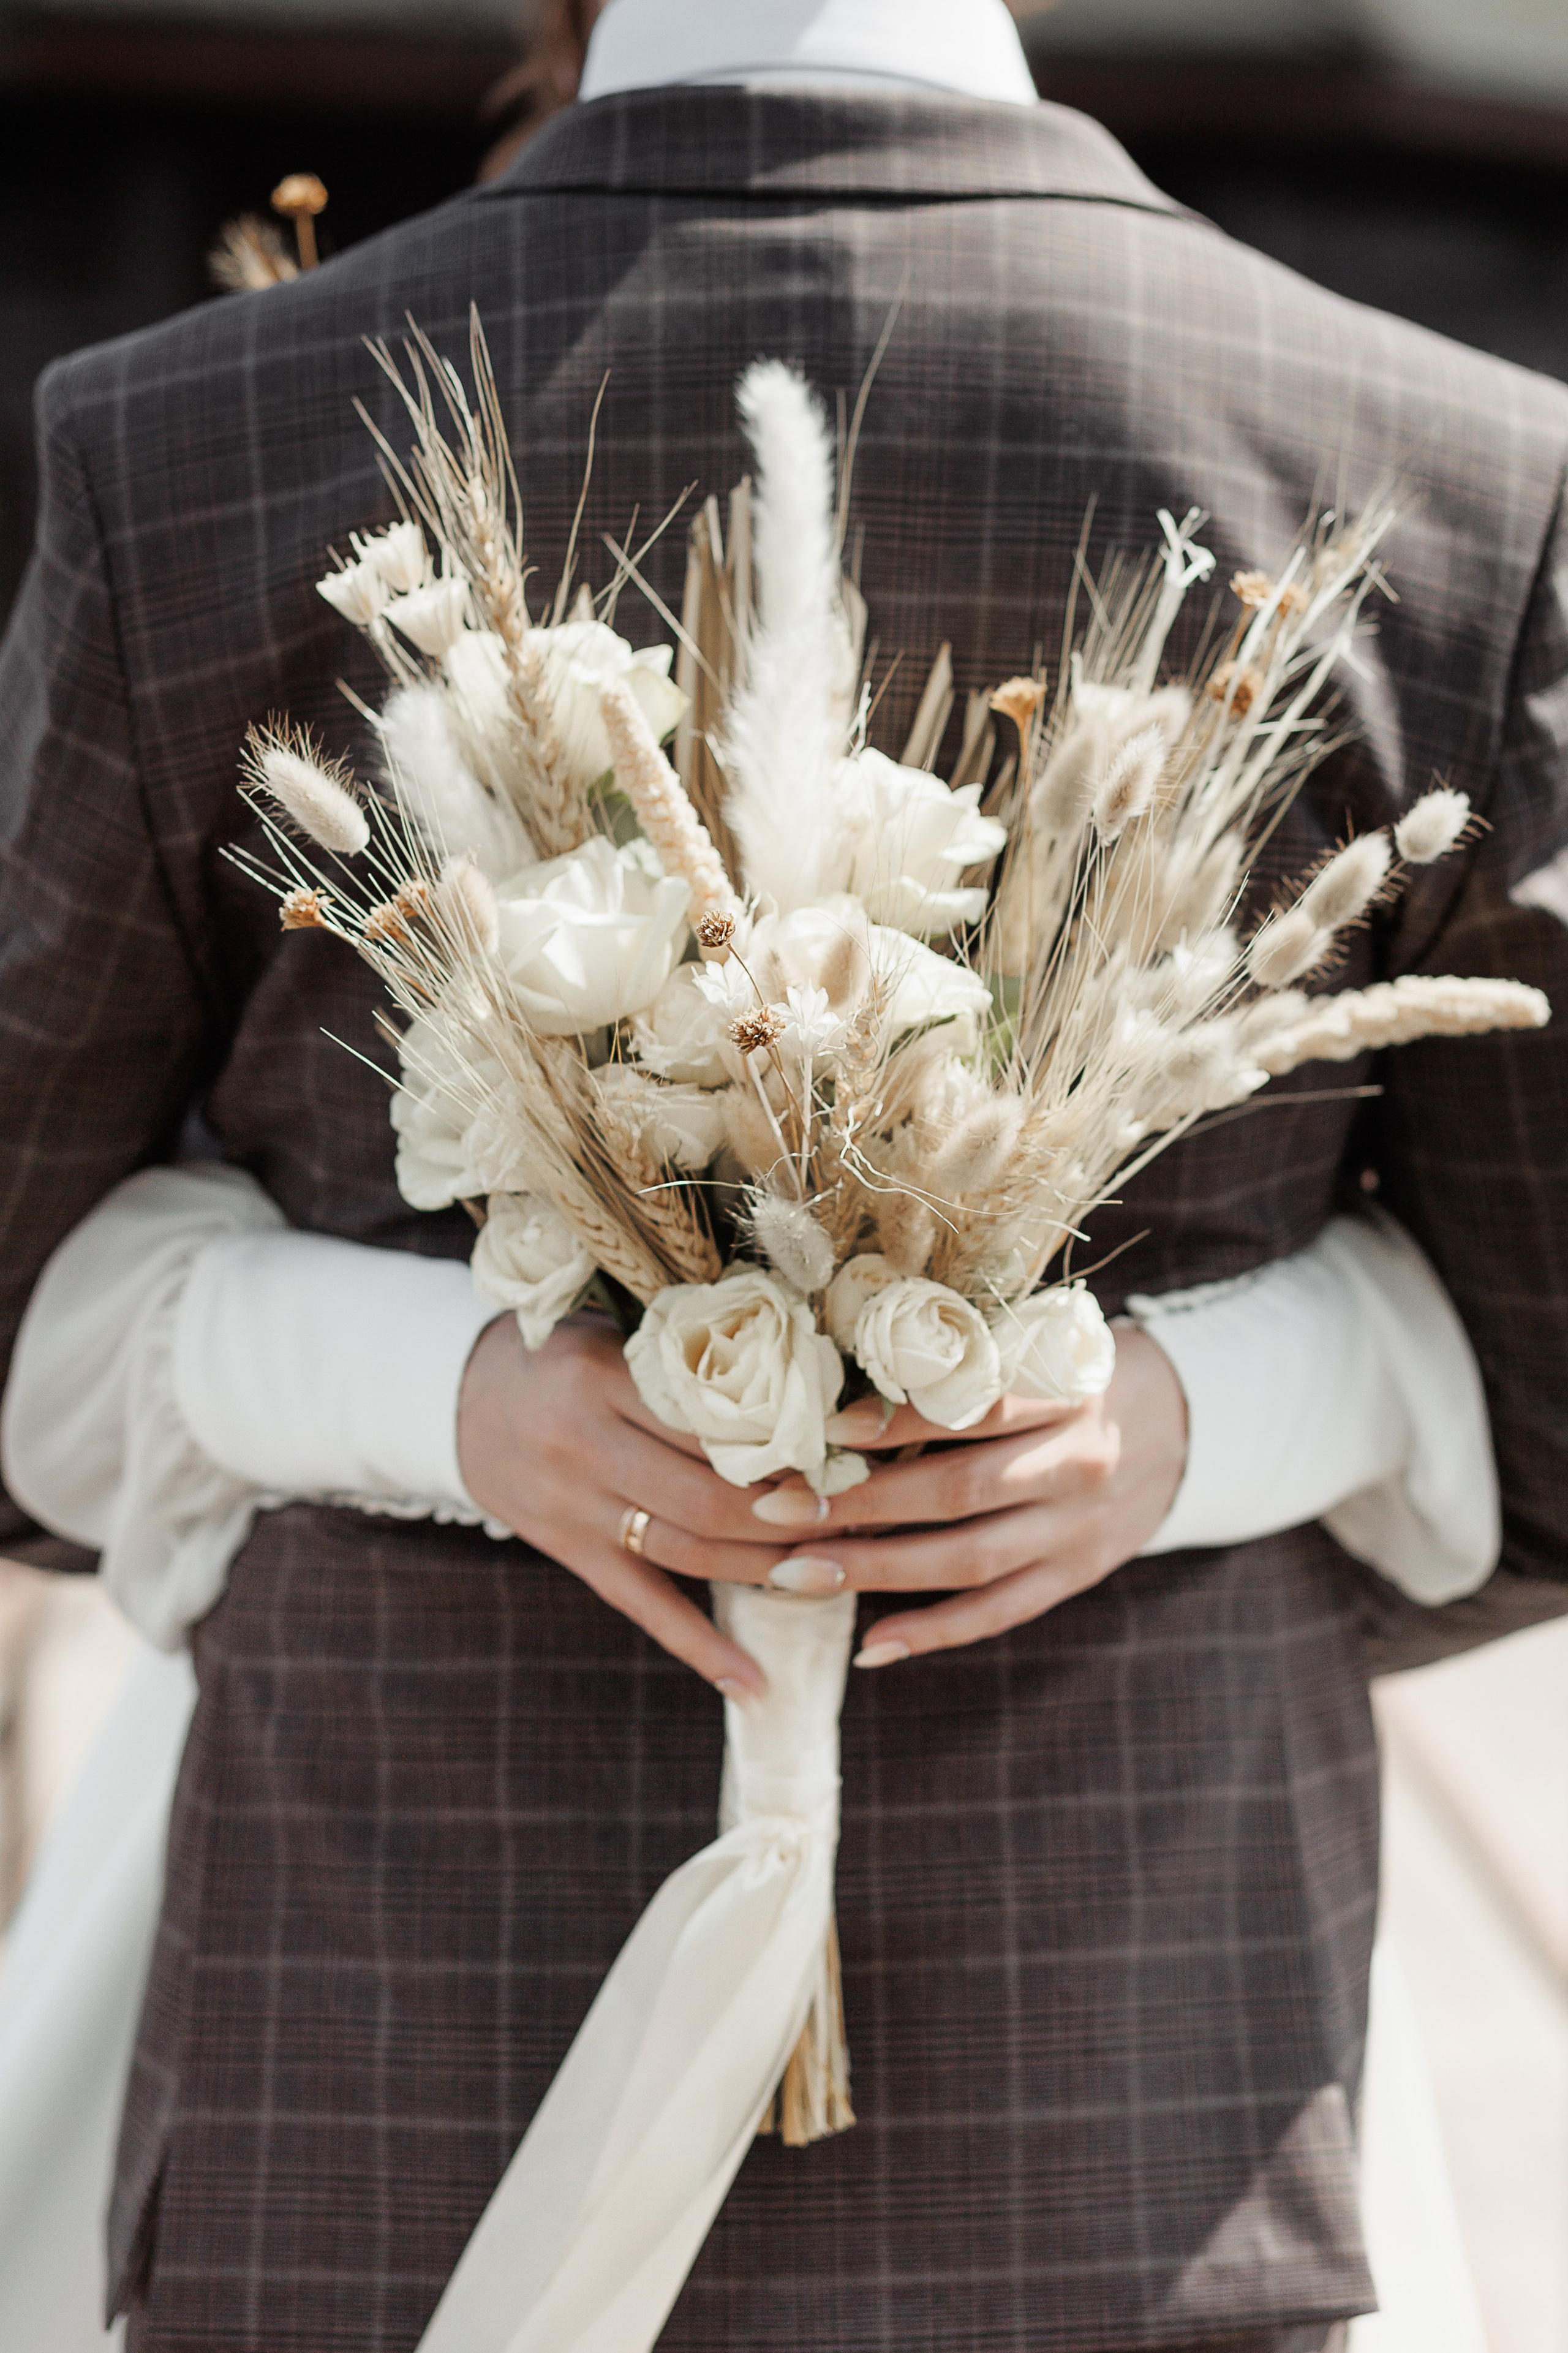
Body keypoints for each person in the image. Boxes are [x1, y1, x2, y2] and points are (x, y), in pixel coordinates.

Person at [0, 2, 1565, 2347]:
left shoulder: (186, 443)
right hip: (1141, 2126)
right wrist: (1163, 1422)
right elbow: (1549, 1406)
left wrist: (443, 1391)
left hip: (388, 2100)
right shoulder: (1451, 467)